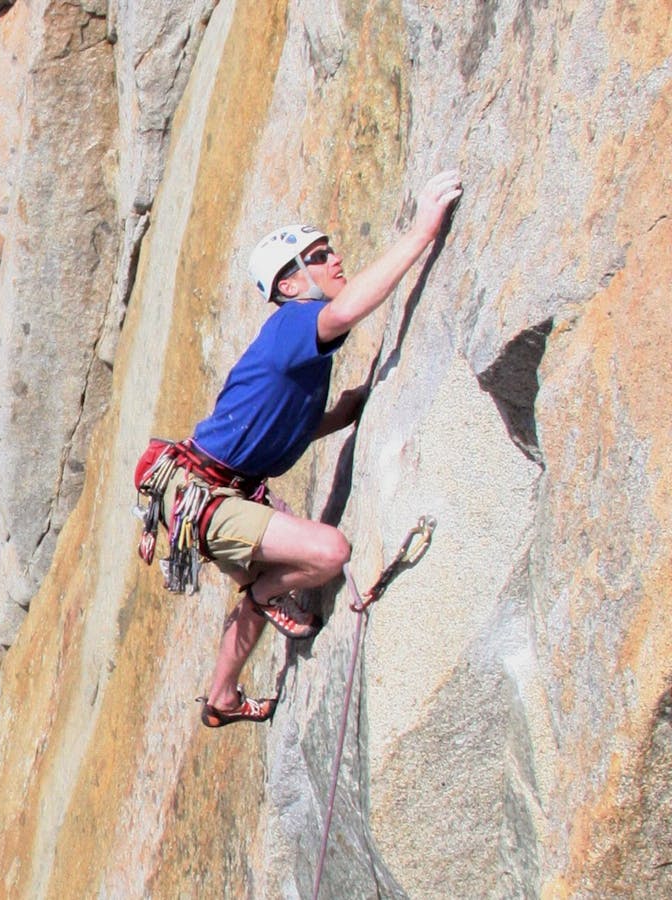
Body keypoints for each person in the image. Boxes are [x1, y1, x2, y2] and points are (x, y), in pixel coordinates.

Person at [133, 170, 463, 727]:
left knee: (267, 585)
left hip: (205, 488)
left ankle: (222, 697)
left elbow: (279, 427)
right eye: (317, 255)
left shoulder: (293, 339)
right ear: (289, 285)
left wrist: (340, 415)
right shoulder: (295, 324)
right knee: (327, 553)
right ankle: (265, 594)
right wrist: (422, 233)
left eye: (328, 249)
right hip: (204, 493)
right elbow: (346, 309)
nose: (334, 259)